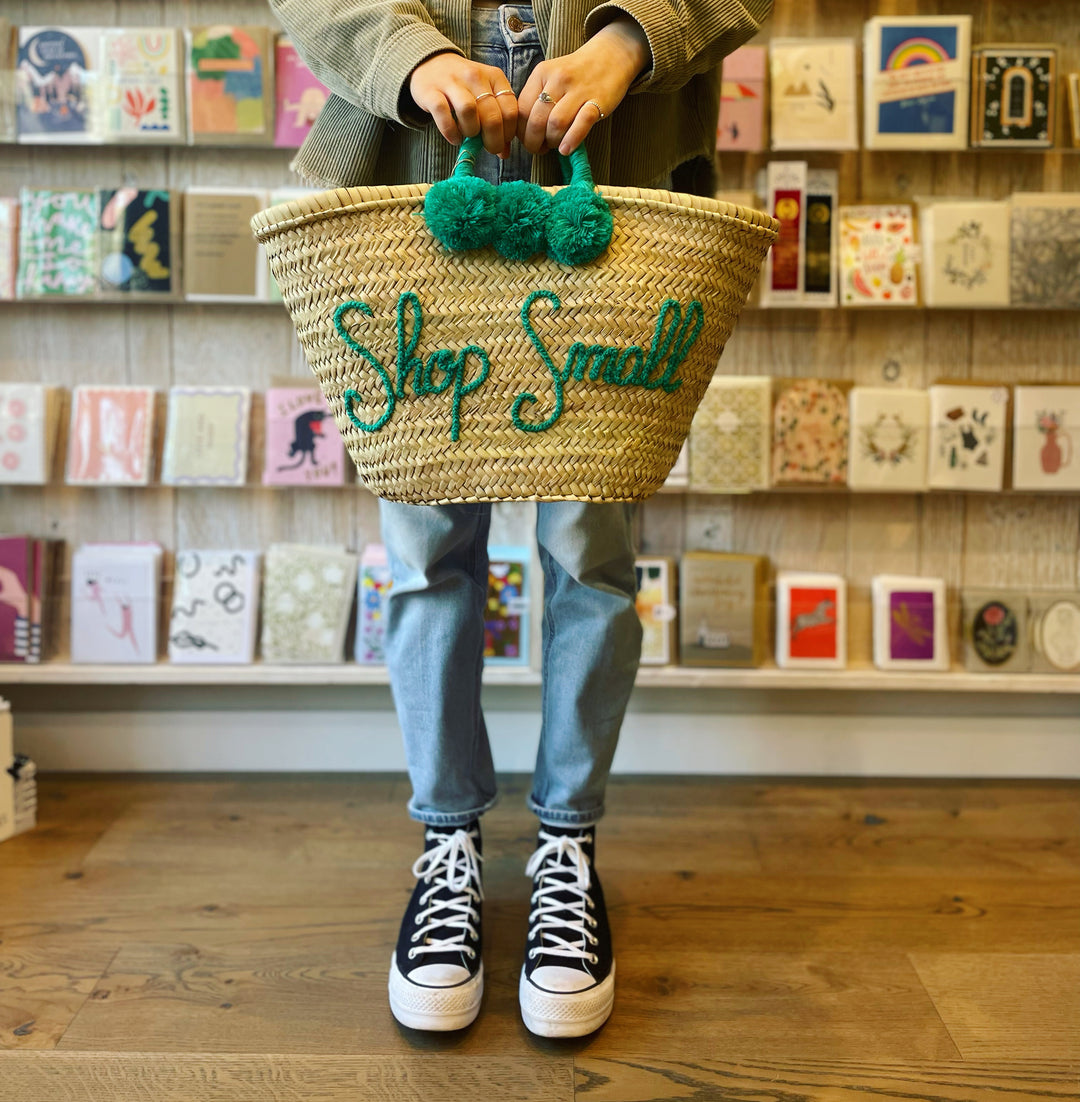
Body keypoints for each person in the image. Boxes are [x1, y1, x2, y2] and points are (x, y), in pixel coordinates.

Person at [269, 0, 772, 1038]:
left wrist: (629, 40)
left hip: (616, 164)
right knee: (422, 547)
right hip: (413, 175)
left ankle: (567, 842)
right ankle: (447, 837)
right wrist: (410, 57)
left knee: (592, 549)